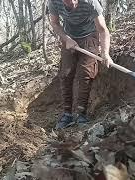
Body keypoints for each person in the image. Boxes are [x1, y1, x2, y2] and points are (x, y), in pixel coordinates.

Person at [48, 0, 113, 129]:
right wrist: (66, 39)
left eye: (74, 0)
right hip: (69, 36)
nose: (72, 3)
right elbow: (55, 23)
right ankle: (67, 114)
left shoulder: (91, 2)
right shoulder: (53, 2)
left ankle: (81, 113)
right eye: (67, 2)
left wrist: (105, 53)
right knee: (66, 74)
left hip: (90, 36)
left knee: (86, 73)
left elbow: (103, 29)